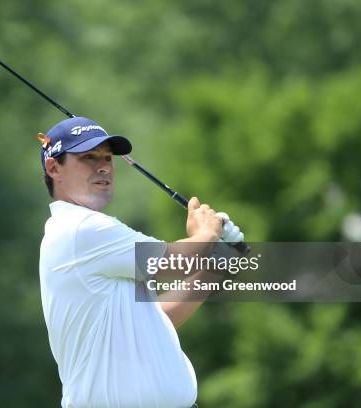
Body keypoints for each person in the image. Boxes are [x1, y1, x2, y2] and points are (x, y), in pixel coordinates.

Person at [38, 117, 245, 408]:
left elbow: (157, 321)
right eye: (88, 157)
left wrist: (217, 266)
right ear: (53, 168)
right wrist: (207, 232)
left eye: (108, 158)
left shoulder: (88, 236)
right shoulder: (79, 229)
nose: (103, 167)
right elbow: (174, 261)